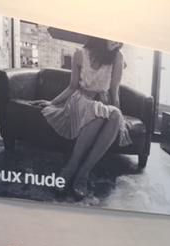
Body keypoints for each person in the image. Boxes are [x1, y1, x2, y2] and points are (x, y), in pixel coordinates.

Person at [32, 36, 132, 200]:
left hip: (103, 103)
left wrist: (119, 115)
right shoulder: (79, 54)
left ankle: (83, 172)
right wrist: (52, 102)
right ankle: (71, 167)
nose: (117, 44)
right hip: (80, 101)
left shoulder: (117, 56)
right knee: (98, 114)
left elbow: (114, 90)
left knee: (114, 116)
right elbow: (72, 87)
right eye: (114, 38)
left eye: (120, 41)